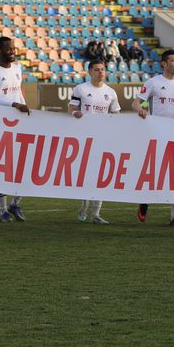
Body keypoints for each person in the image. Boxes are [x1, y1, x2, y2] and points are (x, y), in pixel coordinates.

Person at [136, 49, 174, 227]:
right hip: (157, 134)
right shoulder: (153, 83)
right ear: (164, 64)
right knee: (155, 173)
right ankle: (144, 201)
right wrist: (141, 109)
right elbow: (138, 101)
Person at [0, 36, 31, 221]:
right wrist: (14, 105)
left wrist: (24, 109)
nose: (12, 51)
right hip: (0, 125)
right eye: (8, 48)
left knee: (26, 166)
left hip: (20, 124)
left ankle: (15, 204)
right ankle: (2, 211)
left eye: (13, 48)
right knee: (0, 168)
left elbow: (18, 93)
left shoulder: (18, 69)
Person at [70, 60, 122, 224]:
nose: (100, 72)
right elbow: (71, 108)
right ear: (89, 72)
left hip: (103, 138)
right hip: (84, 138)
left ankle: (96, 214)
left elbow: (116, 115)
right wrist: (75, 114)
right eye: (97, 70)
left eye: (102, 69)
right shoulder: (81, 89)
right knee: (86, 174)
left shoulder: (111, 92)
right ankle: (84, 204)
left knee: (101, 174)